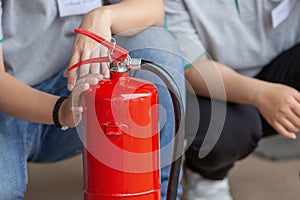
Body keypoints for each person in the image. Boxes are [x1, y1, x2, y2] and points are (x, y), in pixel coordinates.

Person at [0, 0, 185, 199]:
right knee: (5, 189)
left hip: (81, 90)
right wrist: (61, 110)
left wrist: (102, 17)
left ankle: (162, 193)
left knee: (156, 42)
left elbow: (153, 8)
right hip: (11, 100)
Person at [164, 0, 300, 199]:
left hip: (279, 63)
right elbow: (193, 68)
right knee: (226, 134)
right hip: (208, 86)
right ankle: (207, 177)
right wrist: (261, 95)